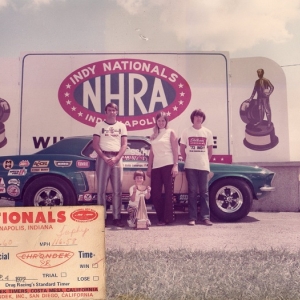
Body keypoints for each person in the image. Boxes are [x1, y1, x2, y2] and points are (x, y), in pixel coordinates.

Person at [92, 103, 127, 227]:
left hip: (117, 158)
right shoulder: (99, 125)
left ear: (117, 112)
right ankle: (101, 218)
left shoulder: (122, 126)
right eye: (109, 110)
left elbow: (124, 145)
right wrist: (105, 157)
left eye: (114, 110)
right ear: (105, 112)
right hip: (103, 158)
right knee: (101, 190)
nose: (112, 112)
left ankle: (117, 217)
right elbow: (95, 144)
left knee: (117, 190)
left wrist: (117, 158)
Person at [180, 109, 213, 226]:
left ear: (203, 119)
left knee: (204, 192)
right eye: (196, 116)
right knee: (192, 191)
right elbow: (182, 148)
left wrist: (204, 161)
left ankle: (205, 217)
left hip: (203, 167)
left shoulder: (207, 132)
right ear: (193, 118)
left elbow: (210, 150)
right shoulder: (186, 131)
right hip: (190, 166)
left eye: (201, 117)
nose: (199, 118)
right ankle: (192, 218)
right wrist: (187, 160)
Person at [146, 112, 178, 225]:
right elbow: (151, 153)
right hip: (156, 167)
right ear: (156, 121)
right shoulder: (154, 134)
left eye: (163, 121)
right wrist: (149, 167)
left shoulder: (170, 132)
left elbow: (175, 150)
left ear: (166, 122)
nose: (161, 123)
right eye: (159, 120)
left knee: (169, 193)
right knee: (155, 194)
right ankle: (160, 218)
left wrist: (175, 165)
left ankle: (168, 218)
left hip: (168, 165)